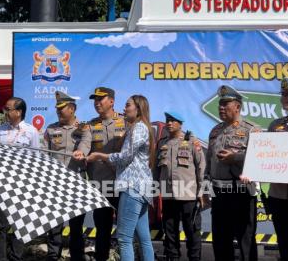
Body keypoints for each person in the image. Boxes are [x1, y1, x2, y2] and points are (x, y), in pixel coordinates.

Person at [85, 95, 155, 261]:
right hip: (140, 188)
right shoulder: (137, 127)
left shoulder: (138, 128)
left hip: (132, 187)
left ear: (138, 108)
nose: (124, 109)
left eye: (128, 105)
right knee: (144, 238)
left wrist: (101, 156)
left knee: (124, 238)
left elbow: (125, 156)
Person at [205, 85, 259, 261]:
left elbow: (259, 160)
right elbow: (208, 162)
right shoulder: (215, 131)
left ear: (237, 106)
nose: (221, 107)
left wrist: (235, 158)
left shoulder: (252, 129)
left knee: (246, 242)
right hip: (219, 194)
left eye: (226, 103)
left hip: (241, 192)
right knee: (220, 242)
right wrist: (206, 187)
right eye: (220, 103)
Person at [73, 87, 125, 261]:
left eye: (100, 99)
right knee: (102, 229)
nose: (97, 103)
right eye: (95, 100)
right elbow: (85, 144)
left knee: (126, 229)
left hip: (122, 184)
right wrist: (80, 152)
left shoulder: (125, 122)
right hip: (100, 186)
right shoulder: (90, 125)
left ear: (111, 101)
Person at [44, 91, 91, 261]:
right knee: (54, 226)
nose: (58, 111)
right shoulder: (50, 129)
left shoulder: (83, 128)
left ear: (72, 108)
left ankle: (77, 257)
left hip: (76, 183)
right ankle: (52, 257)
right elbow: (44, 153)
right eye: (57, 109)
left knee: (76, 226)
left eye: (62, 108)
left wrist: (81, 151)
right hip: (55, 183)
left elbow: (86, 143)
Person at [0, 97, 39, 261]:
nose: (4, 112)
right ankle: (0, 258)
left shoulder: (31, 131)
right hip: (1, 183)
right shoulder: (0, 130)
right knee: (0, 226)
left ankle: (15, 257)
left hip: (21, 184)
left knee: (21, 225)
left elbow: (35, 159)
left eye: (8, 109)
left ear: (18, 112)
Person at [155, 112, 205, 261]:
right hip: (168, 195)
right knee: (170, 234)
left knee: (192, 233)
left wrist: (200, 192)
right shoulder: (162, 143)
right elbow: (156, 170)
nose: (169, 123)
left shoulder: (191, 142)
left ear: (180, 123)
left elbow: (201, 167)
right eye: (167, 120)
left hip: (188, 195)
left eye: (173, 121)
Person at [267, 78, 288, 261]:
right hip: (279, 196)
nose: (286, 98)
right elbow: (265, 157)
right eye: (284, 94)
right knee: (284, 242)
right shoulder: (275, 126)